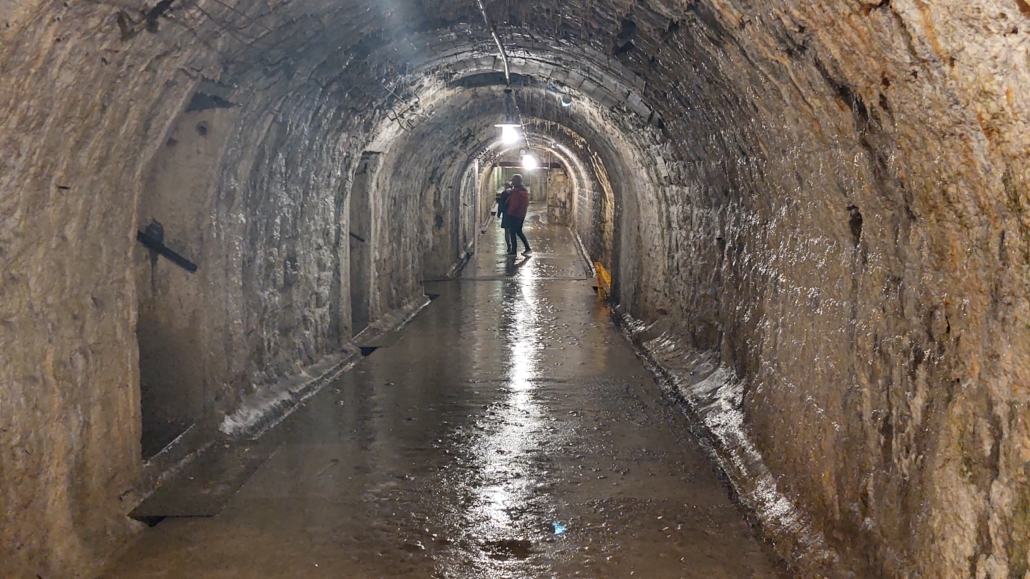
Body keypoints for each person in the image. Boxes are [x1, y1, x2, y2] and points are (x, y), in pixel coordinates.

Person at [505, 174, 531, 255]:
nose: (512, 181)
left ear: (517, 181)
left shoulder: (517, 192)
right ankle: (527, 248)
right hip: (521, 215)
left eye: (513, 180)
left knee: (513, 232)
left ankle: (514, 250)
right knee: (519, 231)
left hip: (515, 215)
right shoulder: (522, 190)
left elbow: (514, 204)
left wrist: (509, 212)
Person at [497, 182, 515, 254]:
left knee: (507, 232)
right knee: (513, 232)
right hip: (514, 215)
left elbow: (501, 204)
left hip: (506, 214)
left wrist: (499, 213)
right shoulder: (514, 193)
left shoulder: (504, 193)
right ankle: (514, 247)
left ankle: (509, 246)